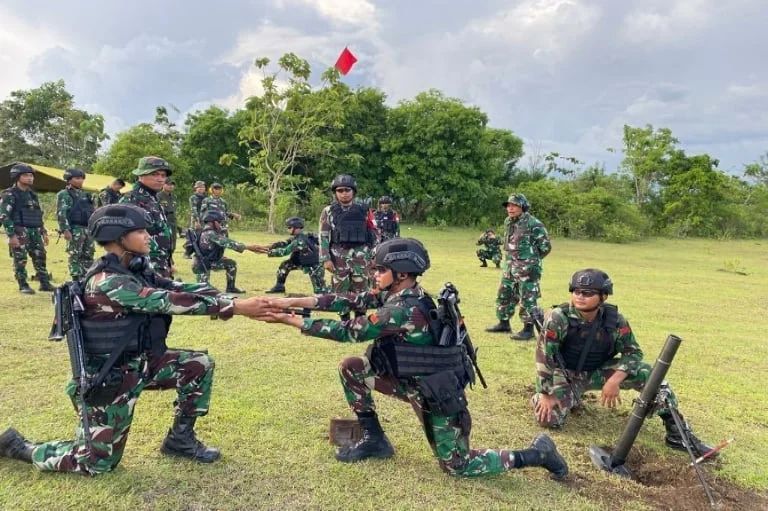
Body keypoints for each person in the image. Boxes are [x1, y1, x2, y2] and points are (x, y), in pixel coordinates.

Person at [253, 238, 568, 479]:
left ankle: (536, 454)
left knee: (457, 466)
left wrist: (290, 320)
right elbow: (347, 299)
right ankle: (375, 440)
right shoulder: (397, 294)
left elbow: (350, 330)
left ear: (401, 274)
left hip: (436, 395)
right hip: (409, 382)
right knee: (353, 368)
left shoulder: (404, 309)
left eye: (380, 270)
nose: (373, 274)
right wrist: (290, 302)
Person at [0, 204, 273, 475]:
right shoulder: (107, 281)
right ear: (119, 237)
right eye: (141, 231)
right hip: (109, 381)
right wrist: (236, 307)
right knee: (94, 464)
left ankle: (180, 439)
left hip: (141, 365)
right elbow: (166, 300)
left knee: (198, 364)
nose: (148, 237)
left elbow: (178, 287)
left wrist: (235, 300)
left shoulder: (135, 270)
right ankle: (22, 447)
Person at [531, 269, 715, 457]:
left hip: (600, 371)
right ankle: (545, 398)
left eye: (588, 293)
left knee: (651, 376)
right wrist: (546, 393)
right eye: (576, 291)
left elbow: (633, 352)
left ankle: (676, 432)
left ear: (603, 296)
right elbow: (544, 356)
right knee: (549, 420)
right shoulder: (558, 318)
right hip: (567, 374)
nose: (580, 297)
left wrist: (614, 380)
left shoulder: (615, 320)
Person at [486, 193, 551, 341]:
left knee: (528, 298)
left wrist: (530, 260)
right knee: (504, 294)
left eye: (514, 206)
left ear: (523, 207)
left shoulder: (534, 224)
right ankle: (503, 323)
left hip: (527, 269)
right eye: (508, 206)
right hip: (510, 266)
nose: (510, 208)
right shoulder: (508, 221)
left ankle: (528, 330)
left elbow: (545, 247)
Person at [318, 174, 377, 301]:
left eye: (347, 190)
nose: (344, 193)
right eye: (340, 190)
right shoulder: (328, 211)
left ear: (353, 191)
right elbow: (323, 235)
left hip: (361, 258)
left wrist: (375, 256)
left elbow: (374, 233)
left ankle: (359, 313)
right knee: (339, 295)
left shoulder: (364, 210)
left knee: (361, 295)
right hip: (338, 258)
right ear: (335, 193)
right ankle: (343, 315)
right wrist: (326, 259)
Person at [0, 163, 54, 293]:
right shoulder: (9, 194)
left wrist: (43, 232)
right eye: (25, 175)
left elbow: (38, 214)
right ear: (17, 177)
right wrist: (11, 235)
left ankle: (44, 283)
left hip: (35, 230)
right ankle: (23, 285)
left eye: (31, 175)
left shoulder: (32, 194)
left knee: (40, 256)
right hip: (19, 231)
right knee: (20, 259)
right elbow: (4, 216)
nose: (30, 178)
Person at [120, 156, 174, 278]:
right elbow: (124, 239)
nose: (160, 179)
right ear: (141, 175)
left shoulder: (153, 198)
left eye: (163, 175)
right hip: (142, 268)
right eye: (154, 174)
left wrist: (168, 262)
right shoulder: (131, 200)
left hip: (160, 266)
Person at [191, 210, 259, 293]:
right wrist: (248, 247)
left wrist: (220, 257)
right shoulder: (210, 233)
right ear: (214, 222)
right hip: (201, 265)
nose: (220, 225)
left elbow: (209, 249)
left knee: (231, 264)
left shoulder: (205, 231)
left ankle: (231, 288)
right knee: (205, 291)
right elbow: (229, 243)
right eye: (219, 222)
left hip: (208, 262)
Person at [261, 217, 326, 294]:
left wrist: (267, 252)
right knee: (285, 265)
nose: (287, 229)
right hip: (303, 262)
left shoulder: (299, 241)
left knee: (320, 291)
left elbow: (284, 252)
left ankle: (333, 291)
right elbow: (286, 242)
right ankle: (279, 287)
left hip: (315, 266)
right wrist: (274, 245)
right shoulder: (304, 235)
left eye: (289, 227)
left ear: (295, 228)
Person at [56, 168, 96, 281]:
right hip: (75, 229)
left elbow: (93, 212)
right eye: (77, 178)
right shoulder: (64, 194)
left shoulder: (86, 195)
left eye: (82, 178)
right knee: (74, 254)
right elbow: (61, 213)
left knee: (88, 254)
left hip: (87, 229)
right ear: (69, 180)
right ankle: (76, 279)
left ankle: (86, 278)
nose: (80, 181)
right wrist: (65, 230)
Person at [157, 178, 179, 260]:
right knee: (164, 240)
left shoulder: (174, 197)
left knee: (173, 241)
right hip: (163, 221)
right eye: (168, 184)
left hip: (173, 220)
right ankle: (164, 258)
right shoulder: (158, 196)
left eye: (172, 184)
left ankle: (170, 258)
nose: (171, 186)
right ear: (163, 185)